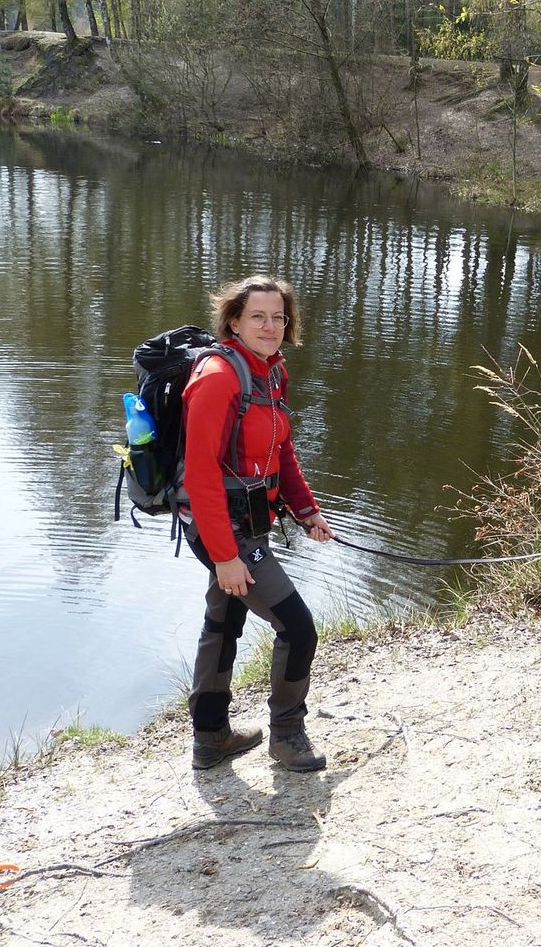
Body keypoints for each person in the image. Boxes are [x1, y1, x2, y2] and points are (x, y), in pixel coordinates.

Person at [181, 274, 334, 772]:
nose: (271, 326)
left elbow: (280, 449)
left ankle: (211, 738)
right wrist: (225, 554)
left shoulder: (270, 372)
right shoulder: (218, 377)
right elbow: (201, 471)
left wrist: (305, 506)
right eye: (258, 317)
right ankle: (287, 734)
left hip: (249, 522)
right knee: (298, 627)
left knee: (223, 622)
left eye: (279, 317)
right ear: (233, 320)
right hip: (222, 528)